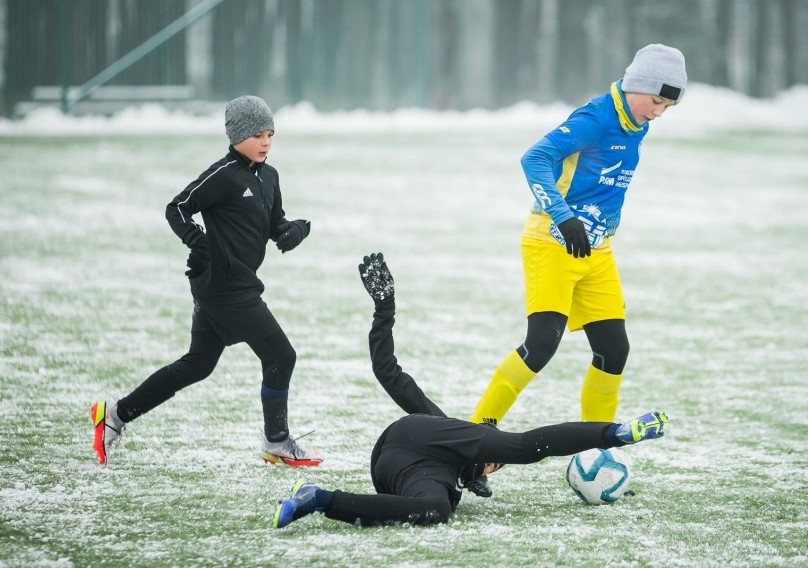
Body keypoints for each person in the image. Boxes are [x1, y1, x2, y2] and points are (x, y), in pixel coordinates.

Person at [271, 253, 670, 528]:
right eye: (494, 459)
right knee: (521, 448)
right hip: (412, 436)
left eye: (493, 465)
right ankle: (615, 432)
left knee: (435, 511)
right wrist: (384, 309)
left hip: (398, 471)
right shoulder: (449, 428)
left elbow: (438, 490)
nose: (494, 461)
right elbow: (388, 371)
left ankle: (317, 498)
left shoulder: (448, 482)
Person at [467, 44, 687, 497]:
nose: (660, 113)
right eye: (658, 102)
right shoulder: (596, 118)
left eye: (668, 106)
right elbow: (535, 158)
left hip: (596, 251)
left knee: (613, 350)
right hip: (551, 239)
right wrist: (565, 216)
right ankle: (473, 444)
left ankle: (596, 448)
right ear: (638, 88)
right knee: (541, 345)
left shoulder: (635, 123)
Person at [90, 95, 322, 468]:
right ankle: (276, 441)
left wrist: (294, 231)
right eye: (257, 135)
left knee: (199, 364)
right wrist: (199, 242)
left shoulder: (270, 176)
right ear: (236, 136)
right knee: (281, 355)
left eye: (270, 134)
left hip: (236, 282)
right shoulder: (223, 175)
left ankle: (115, 415)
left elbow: (275, 225)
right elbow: (177, 207)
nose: (265, 142)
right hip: (224, 287)